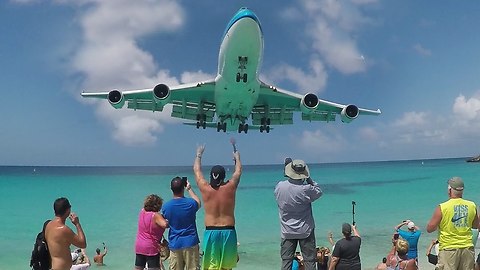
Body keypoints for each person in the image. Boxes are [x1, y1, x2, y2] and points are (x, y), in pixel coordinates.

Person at [193, 144, 242, 270]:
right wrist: (237, 158)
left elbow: (197, 171)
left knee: (211, 267)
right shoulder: (230, 187)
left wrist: (199, 155)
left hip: (211, 231)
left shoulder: (205, 188)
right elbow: (238, 172)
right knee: (227, 267)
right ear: (224, 176)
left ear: (211, 176)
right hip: (229, 231)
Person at [274, 158, 323, 270]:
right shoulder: (306, 189)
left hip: (287, 231)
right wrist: (309, 179)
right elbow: (319, 191)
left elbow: (278, 195)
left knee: (286, 261)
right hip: (305, 230)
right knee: (309, 261)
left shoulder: (280, 186)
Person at [426, 176, 479, 270]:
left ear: (449, 190)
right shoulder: (472, 205)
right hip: (467, 248)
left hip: (448, 249)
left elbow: (430, 229)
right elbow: (475, 226)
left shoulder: (442, 207)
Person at [162, 176, 202, 270]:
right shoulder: (191, 203)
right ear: (183, 188)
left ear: (171, 189)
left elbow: (165, 222)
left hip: (175, 243)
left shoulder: (166, 207)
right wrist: (190, 189)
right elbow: (198, 203)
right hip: (191, 242)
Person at [45, 197, 87, 270]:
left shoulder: (48, 225)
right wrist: (77, 224)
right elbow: (83, 244)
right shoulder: (63, 230)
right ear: (68, 210)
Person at [134, 194, 169, 270]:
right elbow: (165, 224)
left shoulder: (142, 212)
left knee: (138, 268)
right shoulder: (156, 215)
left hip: (139, 246)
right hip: (151, 247)